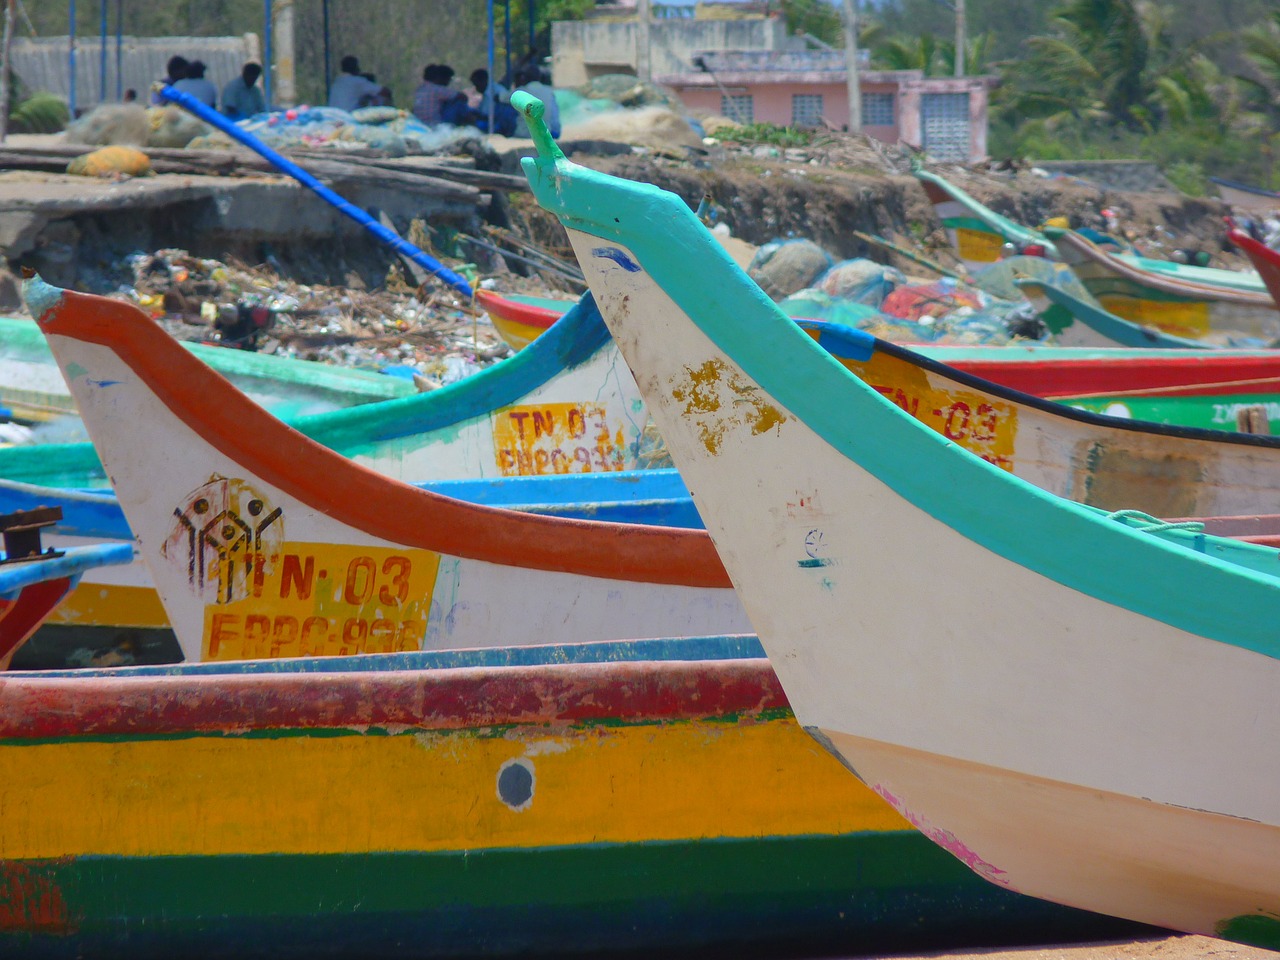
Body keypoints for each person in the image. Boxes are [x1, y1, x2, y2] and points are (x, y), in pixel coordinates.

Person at [509, 65, 560, 138]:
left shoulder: (520, 91)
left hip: (522, 135)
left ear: (524, 78)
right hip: (544, 136)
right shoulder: (549, 91)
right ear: (540, 77)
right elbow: (555, 118)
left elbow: (499, 98)